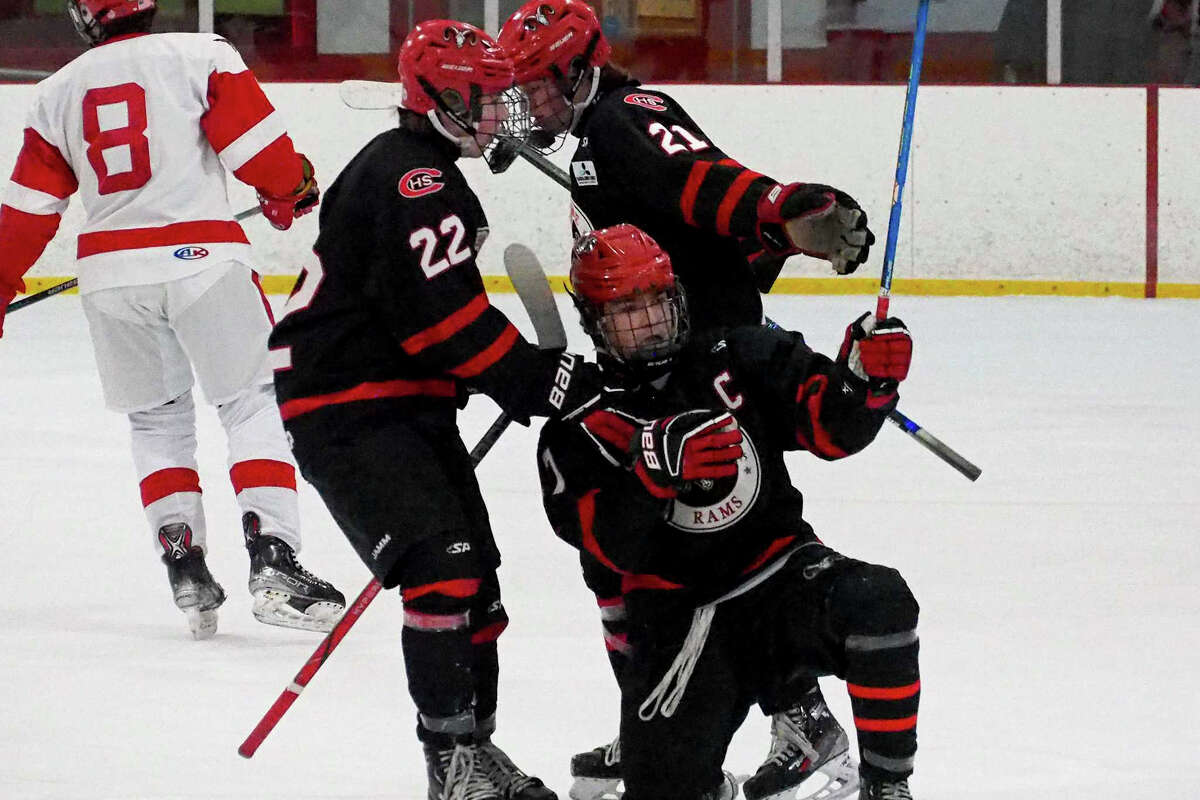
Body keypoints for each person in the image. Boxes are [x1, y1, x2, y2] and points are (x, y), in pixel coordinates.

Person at [498, 3, 872, 797]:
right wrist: (763, 241)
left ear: (580, 67)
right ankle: (655, 717)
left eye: (538, 85)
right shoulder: (598, 136)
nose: (529, 103)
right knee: (622, 557)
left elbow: (700, 184)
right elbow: (701, 233)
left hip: (696, 368)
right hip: (654, 359)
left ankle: (799, 719)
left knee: (714, 551)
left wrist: (778, 210)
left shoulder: (626, 114)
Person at [267, 20, 598, 800]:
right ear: (436, 98)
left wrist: (518, 376)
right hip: (346, 406)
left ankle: (473, 753)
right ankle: (451, 766)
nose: (497, 114)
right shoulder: (412, 177)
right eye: (481, 100)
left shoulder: (422, 169)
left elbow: (435, 321)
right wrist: (535, 379)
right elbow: (443, 323)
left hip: (401, 404)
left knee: (477, 589)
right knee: (445, 573)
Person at [536, 224, 922, 800]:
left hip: (781, 578)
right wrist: (651, 477)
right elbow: (610, 548)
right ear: (594, 322)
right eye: (626, 309)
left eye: (656, 301)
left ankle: (887, 787)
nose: (648, 321)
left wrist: (865, 383)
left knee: (878, 597)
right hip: (681, 620)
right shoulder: (581, 427)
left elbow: (831, 428)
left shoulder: (735, 355)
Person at [0, 0, 344, 640]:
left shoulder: (53, 94)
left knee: (157, 421)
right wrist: (290, 190)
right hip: (204, 263)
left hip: (110, 277)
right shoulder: (202, 54)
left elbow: (26, 213)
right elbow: (264, 157)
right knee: (251, 403)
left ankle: (183, 561)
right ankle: (273, 555)